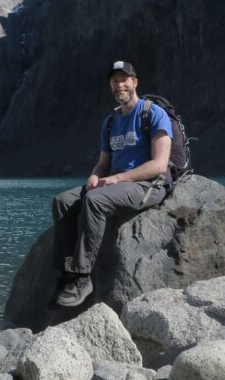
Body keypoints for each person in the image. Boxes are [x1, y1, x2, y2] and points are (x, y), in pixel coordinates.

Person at [49, 60, 173, 308]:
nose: (120, 85)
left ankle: (83, 277)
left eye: (124, 79)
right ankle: (68, 272)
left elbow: (159, 165)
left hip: (148, 185)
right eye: (115, 81)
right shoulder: (110, 122)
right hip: (115, 184)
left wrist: (117, 178)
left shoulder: (153, 114)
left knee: (94, 201)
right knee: (62, 202)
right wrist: (95, 176)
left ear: (135, 82)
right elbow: (103, 163)